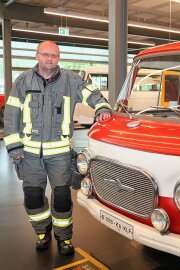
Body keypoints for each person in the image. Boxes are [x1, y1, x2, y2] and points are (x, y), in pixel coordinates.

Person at [3, 41, 112, 255]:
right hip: (30, 155)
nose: (49, 59)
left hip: (60, 155)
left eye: (54, 55)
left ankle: (64, 238)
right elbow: (11, 114)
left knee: (62, 198)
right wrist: (14, 148)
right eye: (45, 54)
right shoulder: (22, 81)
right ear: (37, 56)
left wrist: (102, 107)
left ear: (58, 58)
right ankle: (42, 232)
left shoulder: (71, 80)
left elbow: (92, 93)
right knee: (33, 196)